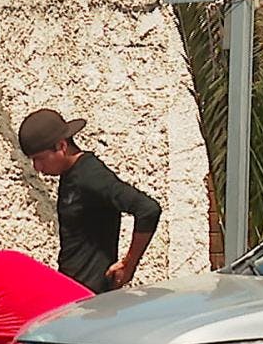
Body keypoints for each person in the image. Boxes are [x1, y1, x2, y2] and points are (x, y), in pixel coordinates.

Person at [18, 108, 163, 294]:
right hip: (73, 292)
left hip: (92, 299)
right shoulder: (70, 174)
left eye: (39, 158)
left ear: (61, 146)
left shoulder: (91, 175)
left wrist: (128, 264)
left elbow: (147, 209)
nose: (37, 167)